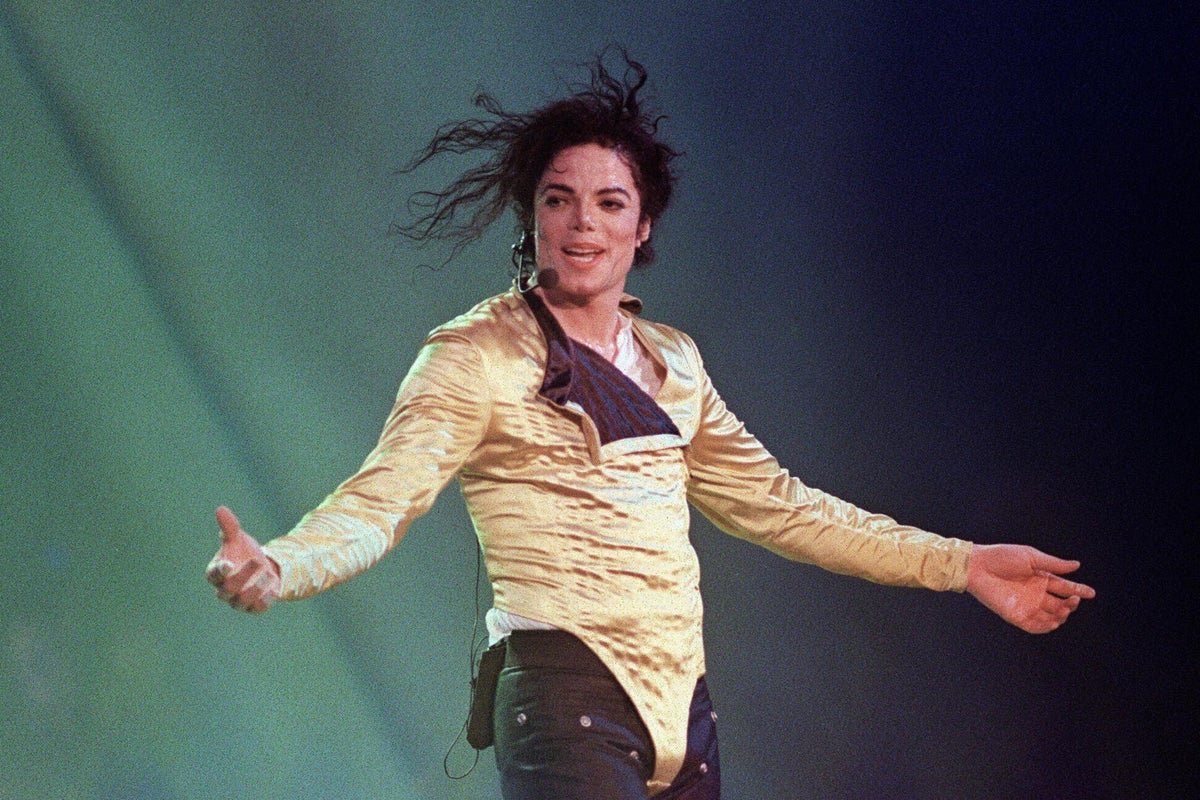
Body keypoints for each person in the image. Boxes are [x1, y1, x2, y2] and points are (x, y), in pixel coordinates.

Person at [206, 54, 1095, 800]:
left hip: (686, 711)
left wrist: (961, 563)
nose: (583, 222)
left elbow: (781, 507)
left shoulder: (674, 362)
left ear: (644, 224)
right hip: (566, 693)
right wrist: (281, 564)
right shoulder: (476, 354)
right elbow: (381, 500)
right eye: (560, 200)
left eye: (609, 202)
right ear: (533, 216)